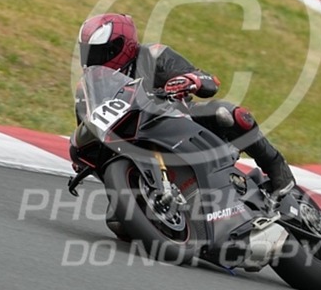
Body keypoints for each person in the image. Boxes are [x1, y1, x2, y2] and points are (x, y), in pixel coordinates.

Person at [69, 13, 296, 236]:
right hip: (131, 144)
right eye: (88, 51)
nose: (93, 58)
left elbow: (205, 79)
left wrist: (190, 80)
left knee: (227, 114)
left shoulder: (152, 55)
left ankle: (277, 169)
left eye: (100, 51)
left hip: (178, 118)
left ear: (122, 46)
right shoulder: (86, 88)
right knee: (118, 223)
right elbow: (89, 125)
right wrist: (82, 160)